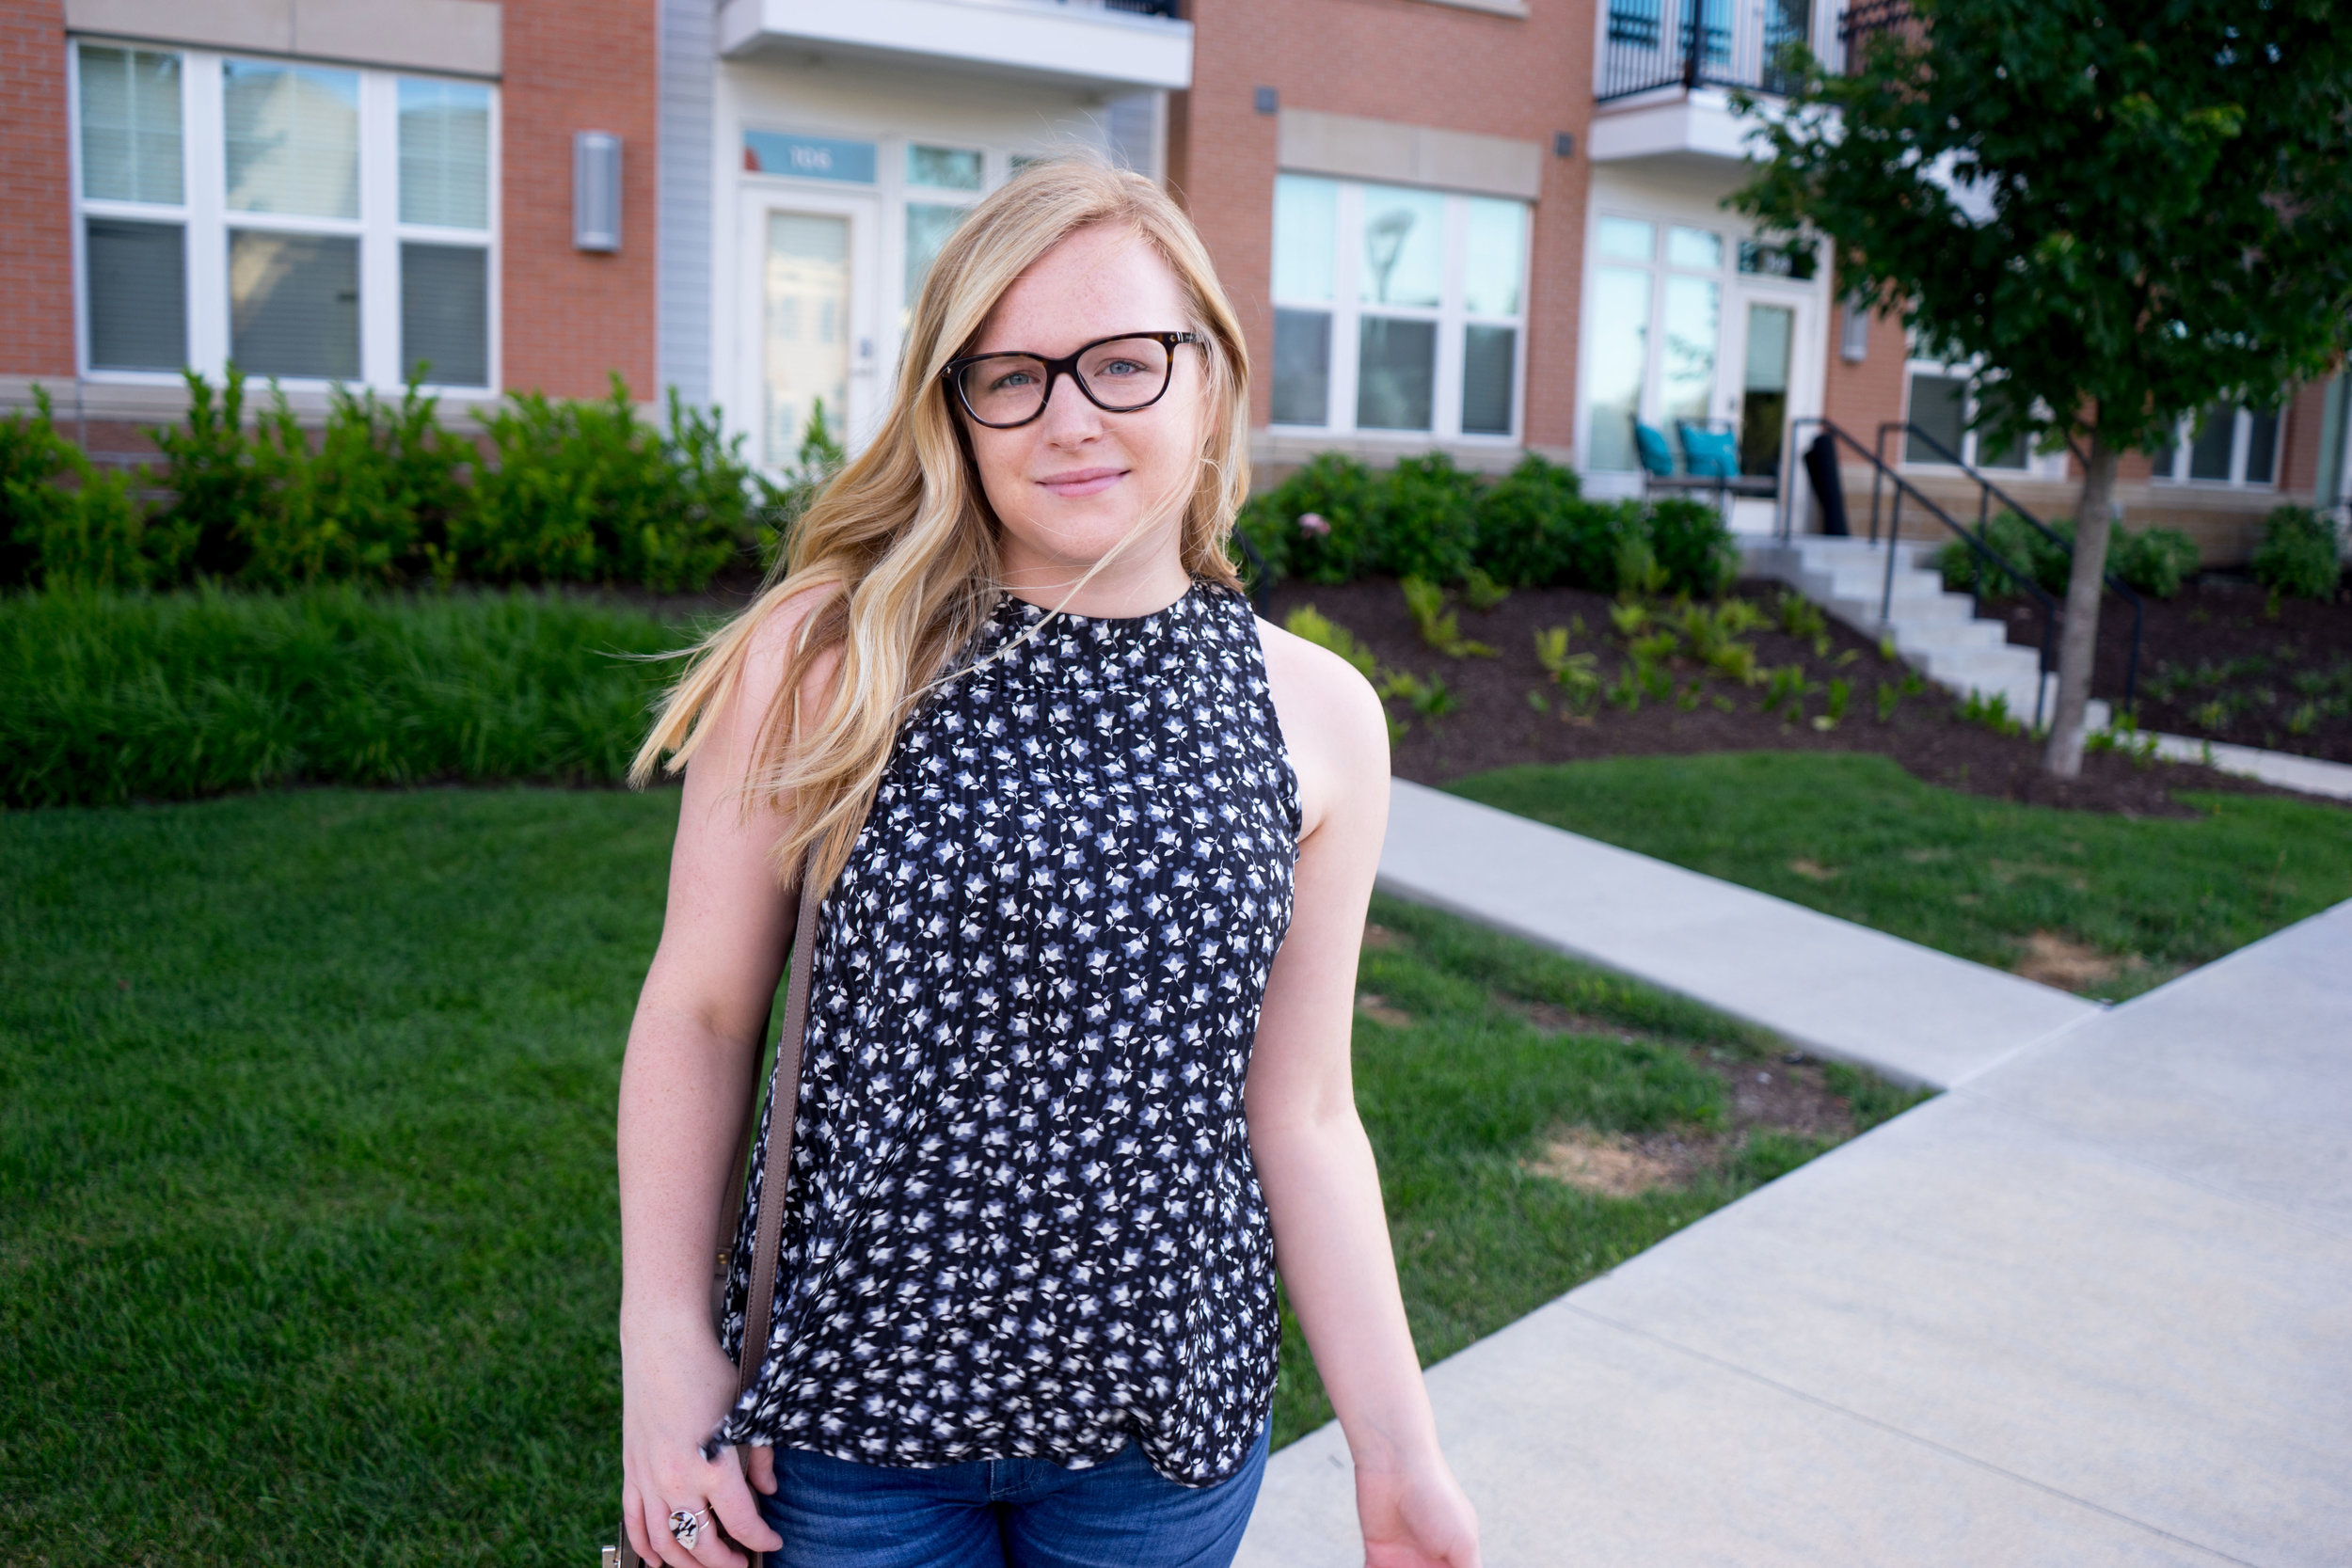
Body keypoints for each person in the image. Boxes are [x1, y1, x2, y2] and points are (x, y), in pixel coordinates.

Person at [614, 155, 1481, 1568]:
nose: (1068, 418)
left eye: (1122, 363)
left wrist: (1398, 1455)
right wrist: (662, 1340)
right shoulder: (830, 658)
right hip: (850, 1431)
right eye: (1008, 374)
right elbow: (704, 1013)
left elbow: (1308, 1112)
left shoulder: (1316, 715)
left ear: (1209, 379)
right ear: (952, 406)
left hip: (1160, 1443)